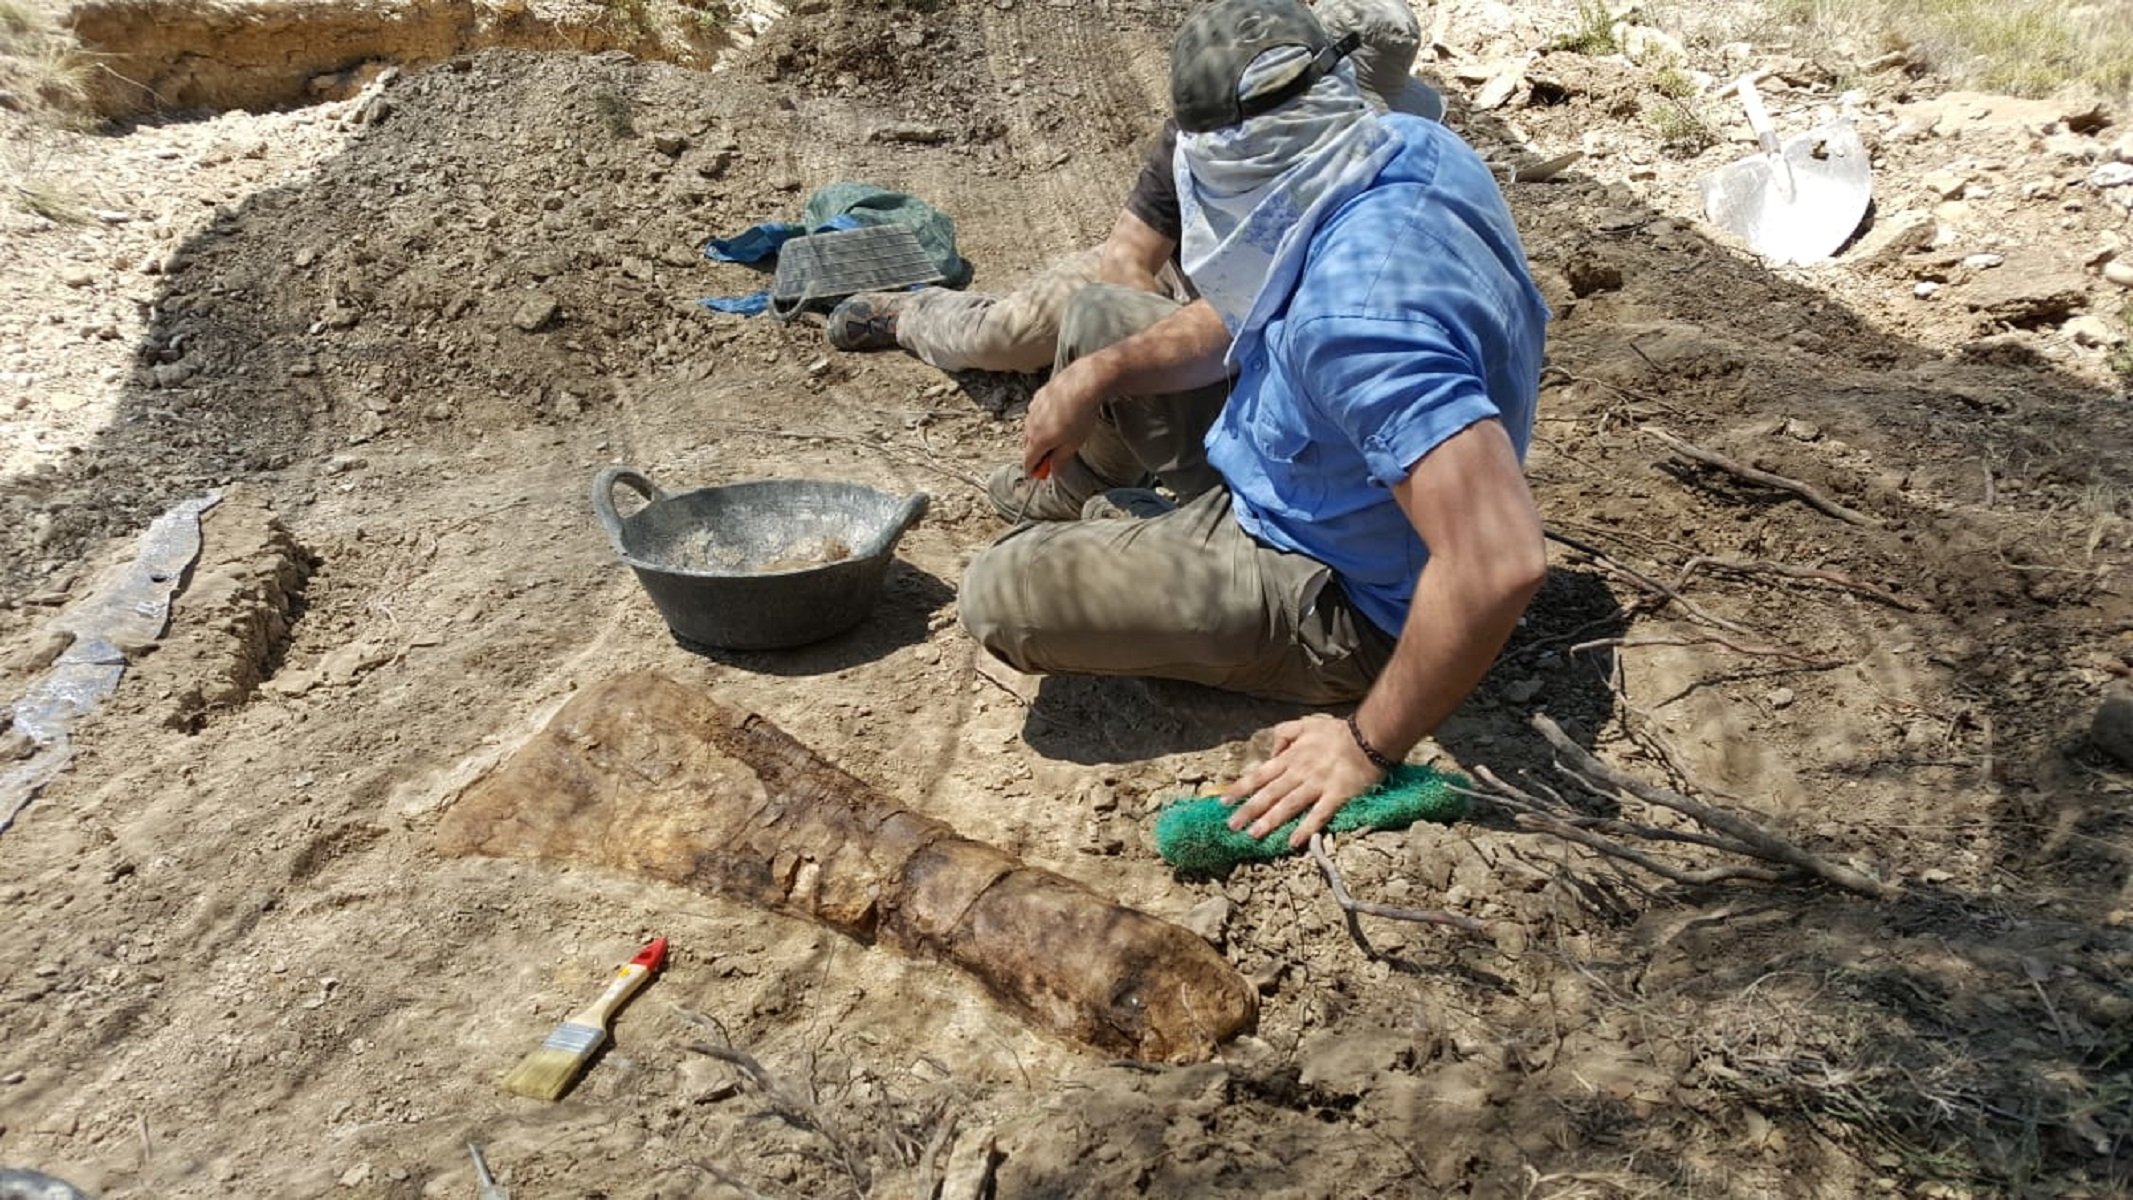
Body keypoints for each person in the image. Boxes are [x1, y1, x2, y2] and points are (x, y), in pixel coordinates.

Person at [956, 0, 1551, 846]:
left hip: (1344, 593)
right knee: (1098, 319)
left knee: (999, 594)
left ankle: (1128, 535)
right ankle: (1096, 503)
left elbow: (1498, 560)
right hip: (1311, 459)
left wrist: (1363, 746)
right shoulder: (1403, 148)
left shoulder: (1360, 323)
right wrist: (1097, 373)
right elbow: (1256, 295)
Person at [823, 0, 1444, 388]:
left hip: (1294, 319)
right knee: (1005, 339)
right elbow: (1129, 258)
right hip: (1182, 282)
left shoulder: (1404, 158)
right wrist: (1160, 354)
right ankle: (913, 313)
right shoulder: (1214, 127)